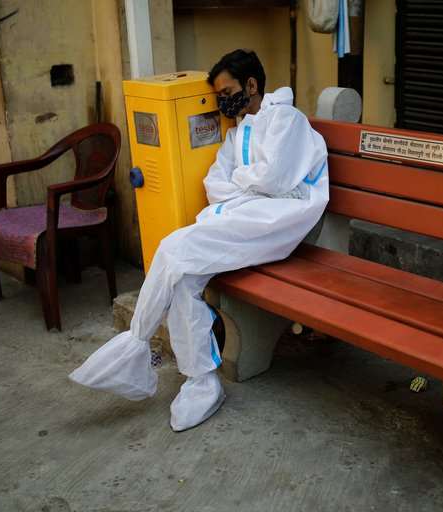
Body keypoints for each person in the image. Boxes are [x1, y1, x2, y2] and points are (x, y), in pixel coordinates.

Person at [69, 49, 329, 432]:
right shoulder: (237, 133)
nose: (222, 100)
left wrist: (244, 184)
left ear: (252, 85)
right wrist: (250, 184)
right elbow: (214, 185)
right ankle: (201, 380)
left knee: (173, 248)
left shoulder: (285, 119)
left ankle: (135, 347)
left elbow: (275, 180)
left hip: (282, 222)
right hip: (247, 217)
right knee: (183, 279)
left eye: (227, 91)